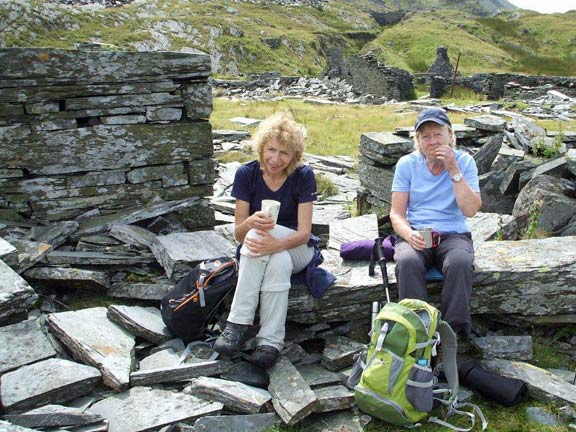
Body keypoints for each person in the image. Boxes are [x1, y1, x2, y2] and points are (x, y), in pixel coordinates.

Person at [213, 111, 322, 368]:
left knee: (266, 240)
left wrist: (276, 243)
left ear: (294, 155)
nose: (275, 159)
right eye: (271, 150)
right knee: (276, 261)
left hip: (298, 247)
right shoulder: (246, 174)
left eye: (284, 153)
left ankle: (237, 324)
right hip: (263, 250)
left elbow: (304, 233)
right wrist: (250, 222)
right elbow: (239, 234)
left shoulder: (303, 176)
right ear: (261, 148)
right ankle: (270, 343)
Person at [389, 108, 482, 342]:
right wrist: (409, 234)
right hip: (417, 232)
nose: (432, 141)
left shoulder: (465, 162)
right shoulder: (407, 164)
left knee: (460, 262)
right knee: (407, 260)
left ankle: (454, 336)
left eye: (438, 134)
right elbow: (396, 214)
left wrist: (453, 170)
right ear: (418, 141)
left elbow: (470, 210)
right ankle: (416, 332)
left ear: (449, 135)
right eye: (425, 136)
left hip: (454, 233)